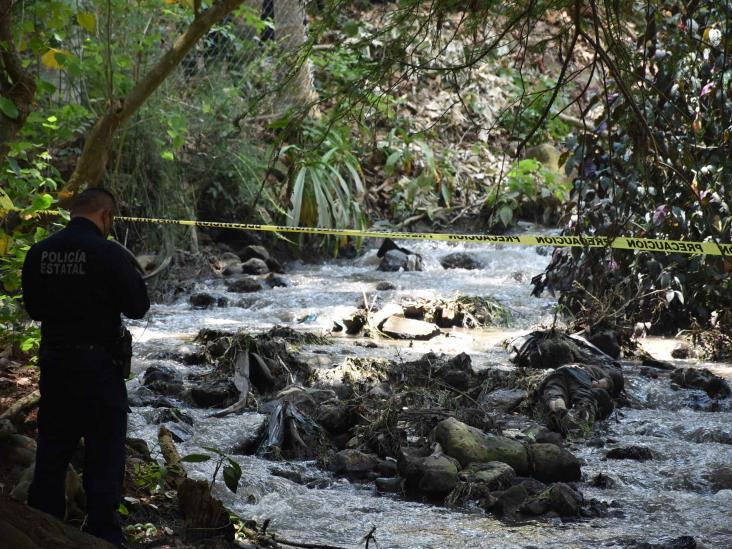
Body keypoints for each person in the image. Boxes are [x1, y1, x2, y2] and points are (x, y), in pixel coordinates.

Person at [21, 188, 149, 546]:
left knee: (52, 450)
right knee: (104, 453)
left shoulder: (39, 253)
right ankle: (102, 534)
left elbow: (34, 308)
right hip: (99, 367)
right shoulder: (109, 254)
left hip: (56, 364)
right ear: (106, 216)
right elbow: (138, 306)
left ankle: (42, 526)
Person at [537, 363, 620, 435]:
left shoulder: (586, 365)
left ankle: (557, 405)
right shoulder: (598, 370)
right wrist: (595, 385)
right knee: (583, 398)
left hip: (556, 374)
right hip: (579, 376)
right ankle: (581, 417)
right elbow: (605, 382)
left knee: (554, 391)